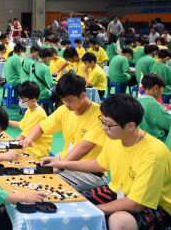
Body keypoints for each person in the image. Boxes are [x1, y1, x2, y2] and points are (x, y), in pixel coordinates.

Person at [42, 95, 171, 230]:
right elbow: (99, 164)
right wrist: (61, 163)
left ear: (130, 126)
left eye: (108, 124)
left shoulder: (153, 154)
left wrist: (93, 210)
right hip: (117, 191)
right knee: (72, 199)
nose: (104, 128)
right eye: (102, 122)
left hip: (155, 206)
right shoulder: (115, 137)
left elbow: (136, 204)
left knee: (118, 220)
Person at [21, 73, 107, 191]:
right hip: (65, 161)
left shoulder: (100, 116)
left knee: (45, 183)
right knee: (28, 171)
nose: (66, 104)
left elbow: (84, 148)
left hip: (89, 172)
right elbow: (41, 127)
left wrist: (59, 167)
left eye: (69, 100)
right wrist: (29, 139)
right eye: (63, 100)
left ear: (82, 95)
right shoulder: (64, 110)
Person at [9, 81, 52, 158]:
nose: (21, 102)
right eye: (20, 98)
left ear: (33, 100)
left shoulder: (38, 114)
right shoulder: (30, 109)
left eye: (23, 100)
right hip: (29, 146)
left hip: (37, 151)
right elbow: (21, 125)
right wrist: (6, 121)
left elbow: (23, 136)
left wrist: (10, 148)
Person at [137, 74, 171, 144]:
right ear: (156, 88)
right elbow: (168, 123)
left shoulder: (137, 101)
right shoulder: (152, 104)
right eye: (162, 89)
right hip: (155, 140)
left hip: (141, 138)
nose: (162, 92)